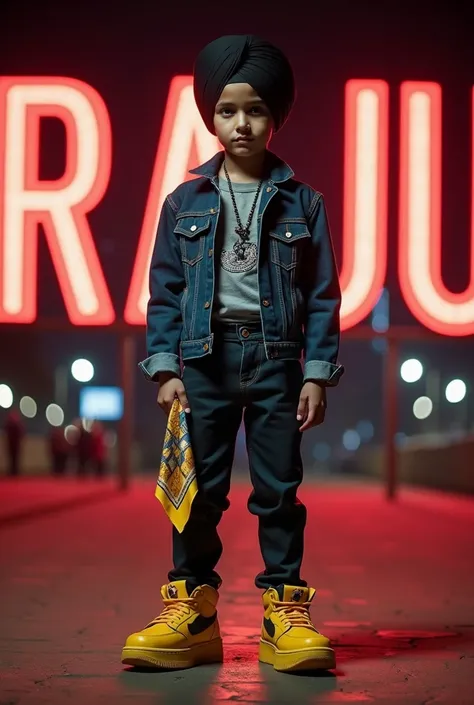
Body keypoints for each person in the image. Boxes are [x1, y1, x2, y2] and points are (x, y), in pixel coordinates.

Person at [122, 34, 344, 673]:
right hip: (204, 364)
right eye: (226, 110)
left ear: (276, 115)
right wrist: (165, 366)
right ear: (209, 115)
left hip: (277, 361)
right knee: (197, 492)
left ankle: (284, 611)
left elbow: (322, 293)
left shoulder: (305, 203)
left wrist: (317, 373)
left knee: (279, 491)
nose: (240, 123)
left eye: (254, 110)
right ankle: (191, 610)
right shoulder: (183, 203)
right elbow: (162, 291)